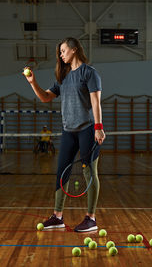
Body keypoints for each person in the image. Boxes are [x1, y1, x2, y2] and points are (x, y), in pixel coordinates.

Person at [23, 37, 105, 232]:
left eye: (63, 50)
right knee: (62, 173)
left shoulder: (89, 73)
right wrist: (32, 82)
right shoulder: (63, 76)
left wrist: (98, 127)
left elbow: (95, 102)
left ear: (74, 50)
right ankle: (58, 216)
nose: (61, 55)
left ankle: (91, 219)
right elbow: (45, 98)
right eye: (60, 52)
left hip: (87, 130)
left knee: (89, 173)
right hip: (68, 131)